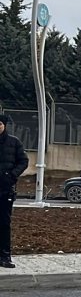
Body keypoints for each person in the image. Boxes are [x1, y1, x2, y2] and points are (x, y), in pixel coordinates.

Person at [0, 113, 28, 268]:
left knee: (4, 223)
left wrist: (11, 176)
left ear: (4, 125)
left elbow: (23, 161)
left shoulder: (14, 142)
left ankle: (5, 256)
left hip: (5, 189)